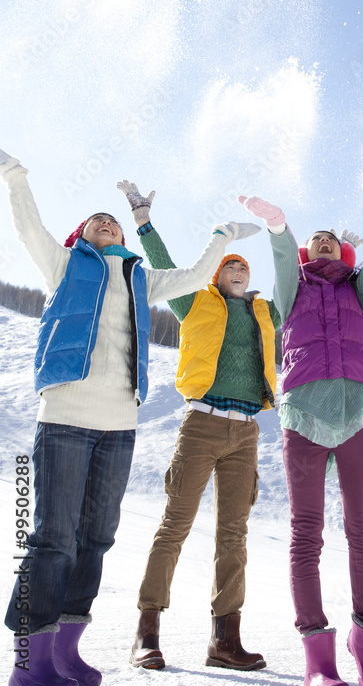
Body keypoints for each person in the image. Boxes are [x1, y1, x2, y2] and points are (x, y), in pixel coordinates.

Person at [0, 150, 250, 686]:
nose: (107, 221)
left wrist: (222, 233)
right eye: (96, 220)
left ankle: (66, 651)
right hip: (66, 416)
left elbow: (196, 274)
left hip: (120, 426)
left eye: (112, 220)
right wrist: (14, 175)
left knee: (96, 538)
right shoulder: (64, 263)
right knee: (52, 539)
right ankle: (29, 661)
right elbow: (27, 227)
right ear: (83, 235)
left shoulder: (141, 278)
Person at [239, 177, 363, 686]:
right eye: (315, 239)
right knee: (307, 532)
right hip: (303, 413)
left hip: (359, 414)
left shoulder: (356, 290)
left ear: (343, 252)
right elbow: (283, 261)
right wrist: (278, 226)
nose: (322, 242)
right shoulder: (293, 288)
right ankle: (317, 659)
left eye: (331, 239)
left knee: (361, 528)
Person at [116, 181, 278, 672]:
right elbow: (164, 266)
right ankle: (147, 632)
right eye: (228, 264)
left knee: (234, 535)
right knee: (175, 526)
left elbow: (297, 287)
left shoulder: (265, 313)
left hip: (246, 431)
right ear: (214, 273)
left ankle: (224, 640)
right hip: (202, 423)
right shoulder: (195, 302)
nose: (235, 268)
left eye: (242, 266)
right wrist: (144, 222)